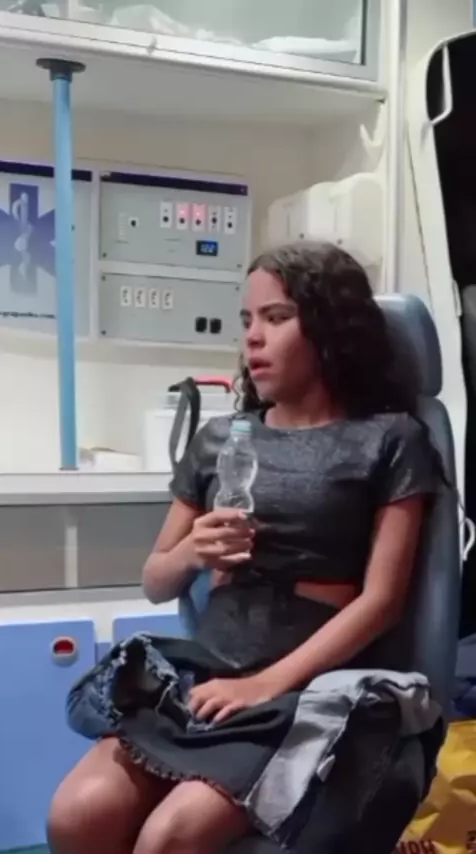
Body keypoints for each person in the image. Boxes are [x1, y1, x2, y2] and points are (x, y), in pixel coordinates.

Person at [48, 242, 445, 854]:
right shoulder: (220, 440)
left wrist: (264, 685)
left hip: (309, 690)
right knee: (78, 817)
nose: (253, 338)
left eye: (277, 317)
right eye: (247, 320)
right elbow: (156, 580)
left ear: (331, 328)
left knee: (168, 838)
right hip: (207, 677)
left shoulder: (391, 440)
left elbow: (383, 601)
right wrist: (192, 553)